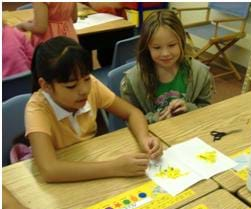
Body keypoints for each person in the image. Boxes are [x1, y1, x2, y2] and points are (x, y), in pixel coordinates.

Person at [25, 36, 162, 183]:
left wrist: (144, 138)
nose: (84, 90)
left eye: (86, 78)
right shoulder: (37, 109)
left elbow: (132, 113)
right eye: (71, 86)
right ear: (45, 86)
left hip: (92, 161)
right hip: (68, 178)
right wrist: (114, 168)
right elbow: (50, 170)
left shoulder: (91, 86)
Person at [120, 10, 214, 124]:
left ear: (182, 42)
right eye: (157, 47)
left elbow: (207, 110)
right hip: (153, 137)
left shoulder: (200, 73)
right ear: (147, 48)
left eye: (172, 45)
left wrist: (189, 108)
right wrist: (155, 118)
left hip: (190, 132)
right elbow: (130, 119)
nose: (165, 53)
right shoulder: (132, 81)